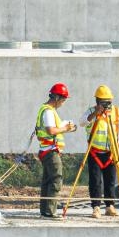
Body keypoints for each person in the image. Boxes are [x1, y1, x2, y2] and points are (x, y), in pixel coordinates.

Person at [35, 83, 76, 219]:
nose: (63, 103)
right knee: (56, 180)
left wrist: (65, 126)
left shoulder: (47, 110)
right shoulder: (48, 111)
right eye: (63, 100)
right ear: (57, 97)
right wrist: (66, 129)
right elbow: (51, 130)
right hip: (51, 151)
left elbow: (54, 127)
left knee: (47, 181)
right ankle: (51, 211)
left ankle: (45, 211)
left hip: (47, 150)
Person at [84, 85, 119, 217]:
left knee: (110, 180)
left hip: (110, 152)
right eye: (103, 101)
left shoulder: (116, 112)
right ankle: (96, 207)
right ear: (97, 101)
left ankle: (109, 206)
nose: (106, 104)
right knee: (95, 181)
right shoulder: (91, 111)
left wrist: (117, 138)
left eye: (108, 101)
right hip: (95, 152)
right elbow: (82, 122)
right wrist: (95, 113)